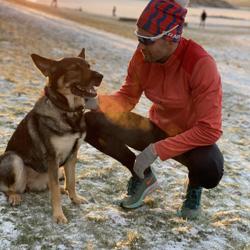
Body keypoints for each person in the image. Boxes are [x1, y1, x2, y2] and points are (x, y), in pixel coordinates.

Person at [84, 0, 224, 219]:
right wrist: (96, 102)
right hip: (156, 128)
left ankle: (194, 185)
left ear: (171, 38)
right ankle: (143, 176)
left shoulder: (200, 64)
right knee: (91, 122)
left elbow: (210, 130)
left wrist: (155, 150)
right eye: (138, 37)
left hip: (191, 139)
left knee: (210, 169)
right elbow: (128, 97)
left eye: (146, 40)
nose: (140, 46)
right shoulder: (142, 56)